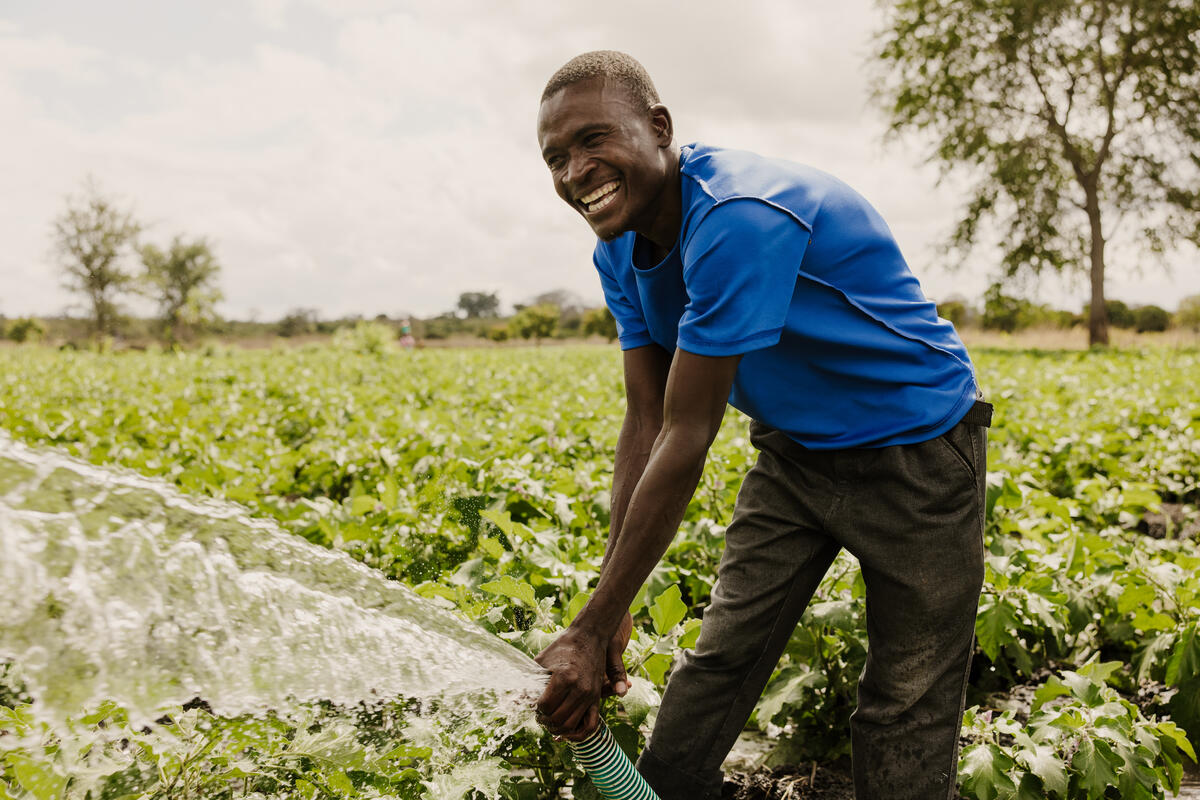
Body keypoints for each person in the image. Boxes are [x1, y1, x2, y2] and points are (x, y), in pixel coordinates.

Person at [532, 50, 989, 800]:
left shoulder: (738, 214)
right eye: (555, 157)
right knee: (721, 659)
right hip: (795, 454)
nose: (575, 170)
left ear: (658, 128)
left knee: (905, 698)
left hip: (918, 450)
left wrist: (591, 626)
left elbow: (689, 431)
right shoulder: (616, 249)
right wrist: (608, 611)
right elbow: (646, 419)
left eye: (593, 140)